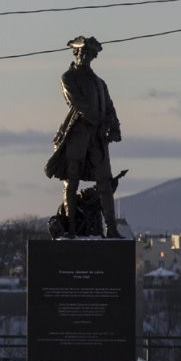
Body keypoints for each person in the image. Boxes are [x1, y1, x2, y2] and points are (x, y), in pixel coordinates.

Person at [44, 36, 122, 238]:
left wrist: (113, 126)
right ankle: (70, 227)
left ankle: (112, 228)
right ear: (76, 54)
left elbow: (109, 107)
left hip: (97, 140)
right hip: (77, 137)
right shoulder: (68, 78)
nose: (85, 57)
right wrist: (100, 121)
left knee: (105, 181)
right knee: (72, 181)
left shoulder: (100, 83)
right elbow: (78, 104)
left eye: (90, 54)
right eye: (83, 53)